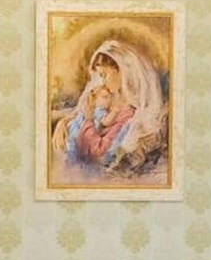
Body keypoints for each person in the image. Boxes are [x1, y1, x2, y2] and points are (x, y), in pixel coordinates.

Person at [52, 39, 167, 174]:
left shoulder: (131, 117)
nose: (101, 82)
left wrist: (88, 120)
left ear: (122, 71)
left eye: (104, 75)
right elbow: (79, 114)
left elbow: (101, 153)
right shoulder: (107, 98)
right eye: (99, 75)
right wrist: (64, 122)